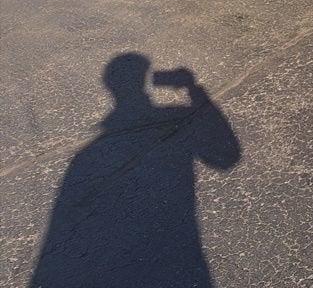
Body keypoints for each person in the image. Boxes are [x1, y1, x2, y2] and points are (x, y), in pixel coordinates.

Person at [30, 53, 240, 288]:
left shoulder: (86, 154)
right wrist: (193, 89)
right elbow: (225, 158)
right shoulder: (167, 116)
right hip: (174, 254)